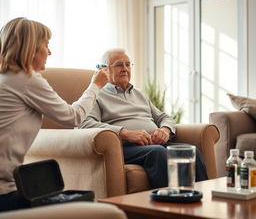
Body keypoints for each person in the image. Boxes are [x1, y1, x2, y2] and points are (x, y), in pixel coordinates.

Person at [0, 17, 109, 212]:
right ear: (31, 49)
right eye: (46, 45)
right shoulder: (26, 79)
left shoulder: (5, 78)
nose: (49, 52)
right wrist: (95, 85)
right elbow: (72, 117)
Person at [79, 49, 208, 189]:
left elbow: (164, 117)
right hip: (124, 147)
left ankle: (201, 198)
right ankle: (168, 204)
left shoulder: (139, 94)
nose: (125, 69)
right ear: (104, 69)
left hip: (152, 143)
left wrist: (164, 130)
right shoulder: (97, 95)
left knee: (190, 150)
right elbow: (85, 124)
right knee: (157, 152)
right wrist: (126, 133)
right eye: (119, 65)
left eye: (128, 65)